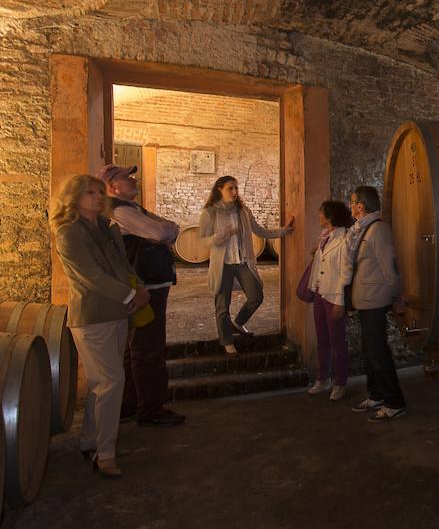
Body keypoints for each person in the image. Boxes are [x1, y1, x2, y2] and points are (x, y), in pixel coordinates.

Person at [51, 174, 150, 478]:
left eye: (98, 192)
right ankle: (104, 454)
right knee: (112, 381)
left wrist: (140, 288)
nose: (97, 197)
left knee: (99, 383)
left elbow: (123, 266)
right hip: (93, 316)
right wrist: (131, 294)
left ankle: (89, 440)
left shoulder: (108, 228)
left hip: (119, 312)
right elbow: (90, 276)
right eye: (89, 193)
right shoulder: (69, 233)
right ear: (74, 197)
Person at [100, 164, 186, 427]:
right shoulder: (121, 210)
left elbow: (168, 229)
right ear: (112, 186)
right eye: (127, 177)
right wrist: (166, 231)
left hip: (147, 284)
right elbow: (163, 231)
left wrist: (167, 230)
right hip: (145, 288)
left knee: (136, 346)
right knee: (148, 347)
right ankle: (151, 409)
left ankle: (131, 402)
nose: (133, 179)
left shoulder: (130, 209)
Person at [199, 175, 294, 355]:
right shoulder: (210, 212)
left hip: (243, 262)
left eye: (236, 188)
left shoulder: (243, 211)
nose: (235, 192)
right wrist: (220, 236)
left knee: (256, 295)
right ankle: (227, 341)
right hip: (223, 265)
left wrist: (283, 232)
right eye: (230, 188)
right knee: (222, 305)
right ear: (219, 189)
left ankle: (239, 322)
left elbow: (259, 230)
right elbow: (202, 241)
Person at [346, 186, 406, 422]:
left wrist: (396, 296)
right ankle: (376, 394)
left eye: (353, 202)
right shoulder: (361, 229)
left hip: (375, 299)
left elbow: (389, 267)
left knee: (378, 352)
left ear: (361, 206)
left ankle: (395, 402)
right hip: (364, 299)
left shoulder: (377, 229)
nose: (351, 206)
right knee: (369, 351)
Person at [306, 200, 354, 401]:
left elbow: (346, 271)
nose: (319, 216)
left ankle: (340, 382)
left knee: (337, 343)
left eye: (321, 213)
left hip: (334, 296)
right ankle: (323, 378)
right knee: (323, 340)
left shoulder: (344, 238)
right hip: (320, 292)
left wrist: (341, 301)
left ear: (331, 216)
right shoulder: (325, 236)